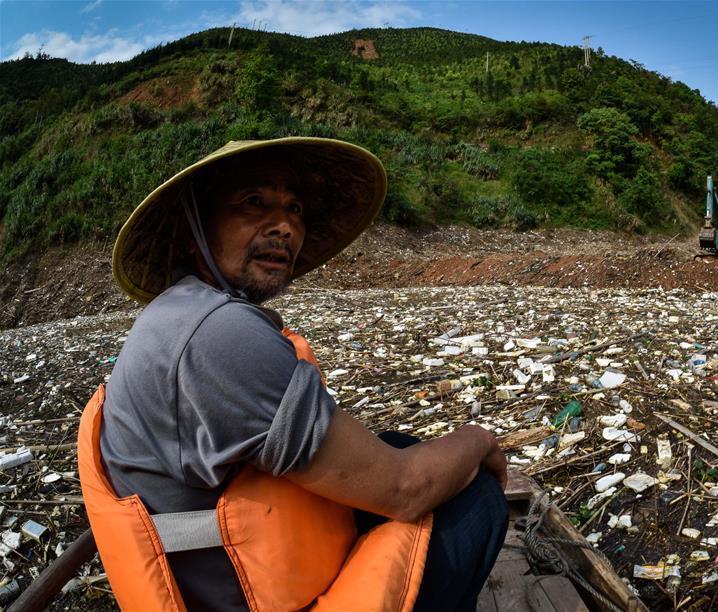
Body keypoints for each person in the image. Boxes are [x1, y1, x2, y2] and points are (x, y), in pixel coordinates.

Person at [77, 137, 508, 611]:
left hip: (236, 576)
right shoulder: (218, 333)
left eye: (294, 208)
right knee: (477, 498)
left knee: (399, 444)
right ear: (192, 231)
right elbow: (405, 490)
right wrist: (480, 440)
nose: (284, 226)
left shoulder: (183, 312)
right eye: (253, 202)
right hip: (251, 599)